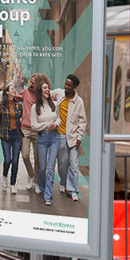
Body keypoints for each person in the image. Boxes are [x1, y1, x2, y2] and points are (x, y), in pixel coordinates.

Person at [55, 74, 88, 202]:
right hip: (61, 135)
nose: (66, 86)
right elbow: (46, 93)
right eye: (66, 84)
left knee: (74, 165)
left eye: (69, 85)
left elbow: (82, 121)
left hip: (73, 137)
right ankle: (63, 183)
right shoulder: (59, 95)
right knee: (63, 164)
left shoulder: (79, 102)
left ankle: (73, 190)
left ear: (74, 86)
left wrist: (79, 136)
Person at [31, 77, 61, 206]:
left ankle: (48, 195)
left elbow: (59, 119)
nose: (47, 90)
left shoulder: (55, 104)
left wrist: (56, 124)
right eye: (44, 88)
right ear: (40, 91)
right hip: (42, 138)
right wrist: (47, 125)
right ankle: (43, 188)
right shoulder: (35, 107)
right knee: (42, 168)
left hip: (55, 137)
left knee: (50, 168)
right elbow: (33, 126)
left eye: (48, 88)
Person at [0, 83, 23, 194]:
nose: (14, 90)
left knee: (15, 161)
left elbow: (23, 119)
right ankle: (4, 175)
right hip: (5, 136)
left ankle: (12, 185)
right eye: (12, 89)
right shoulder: (2, 105)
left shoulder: (19, 105)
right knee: (7, 160)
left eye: (14, 89)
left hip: (17, 136)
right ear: (7, 92)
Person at [18, 73, 44, 192]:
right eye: (31, 82)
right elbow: (13, 97)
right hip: (25, 129)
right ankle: (31, 175)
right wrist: (3, 89)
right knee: (25, 155)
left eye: (34, 82)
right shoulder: (25, 92)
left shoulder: (42, 95)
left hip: (38, 130)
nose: (31, 84)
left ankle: (37, 183)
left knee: (38, 158)